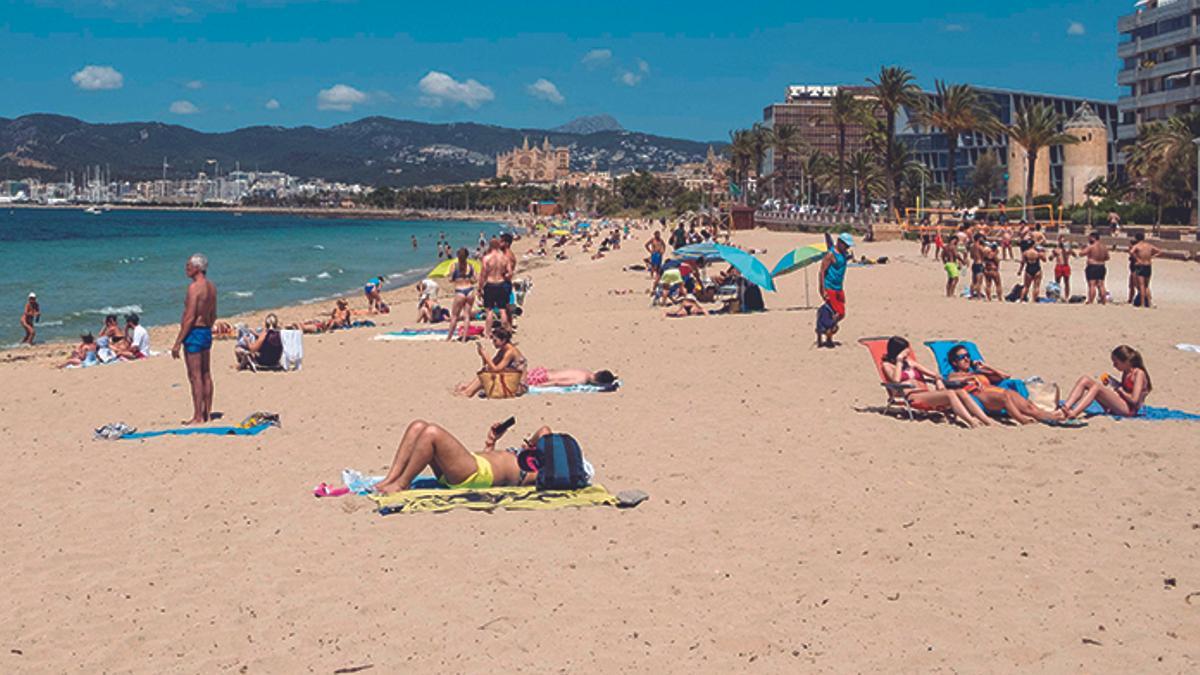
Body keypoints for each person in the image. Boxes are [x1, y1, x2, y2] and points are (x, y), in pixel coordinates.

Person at [371, 419, 552, 493]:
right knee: (418, 426)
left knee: (431, 433)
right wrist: (491, 442)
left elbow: (545, 431)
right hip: (472, 465)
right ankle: (390, 479)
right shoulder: (529, 457)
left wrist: (533, 447)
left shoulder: (540, 473)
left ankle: (402, 484)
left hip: (474, 475)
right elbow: (543, 432)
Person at [879, 337, 993, 428]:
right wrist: (899, 361)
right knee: (950, 394)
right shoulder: (887, 366)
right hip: (912, 396)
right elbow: (896, 381)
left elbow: (934, 375)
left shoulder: (910, 363)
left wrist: (940, 380)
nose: (908, 354)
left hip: (926, 394)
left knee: (961, 392)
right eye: (905, 352)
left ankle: (986, 421)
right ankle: (971, 422)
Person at [944, 343, 1065, 425]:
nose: (966, 359)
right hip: (982, 396)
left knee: (1029, 406)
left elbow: (1006, 376)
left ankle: (1050, 417)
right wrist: (967, 379)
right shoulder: (953, 374)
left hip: (995, 391)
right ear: (954, 362)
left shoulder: (978, 372)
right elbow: (950, 382)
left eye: (968, 356)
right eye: (962, 357)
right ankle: (1022, 420)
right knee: (1005, 396)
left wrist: (987, 367)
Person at [171, 253, 217, 425]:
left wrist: (177, 342)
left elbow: (189, 317)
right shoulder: (211, 287)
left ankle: (198, 416)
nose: (186, 268)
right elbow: (213, 314)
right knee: (206, 373)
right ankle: (208, 413)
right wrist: (207, 327)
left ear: (197, 268)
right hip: (205, 331)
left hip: (194, 333)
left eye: (189, 266)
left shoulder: (194, 288)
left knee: (195, 375)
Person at [1062, 345, 1151, 419]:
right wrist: (1113, 382)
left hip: (1130, 410)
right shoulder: (1126, 371)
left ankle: (1074, 413)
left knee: (1097, 388)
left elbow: (1134, 400)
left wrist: (1119, 390)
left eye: (1116, 363)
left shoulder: (1139, 374)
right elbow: (1126, 388)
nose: (1114, 366)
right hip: (1122, 404)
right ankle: (1065, 408)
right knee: (1085, 379)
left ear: (1126, 362)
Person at [454, 326, 526, 398]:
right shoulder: (502, 350)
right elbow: (489, 367)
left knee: (484, 377)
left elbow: (496, 369)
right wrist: (483, 356)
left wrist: (486, 356)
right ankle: (468, 389)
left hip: (518, 387)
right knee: (484, 374)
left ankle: (467, 392)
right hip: (509, 380)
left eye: (495, 340)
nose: (493, 343)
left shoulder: (510, 352)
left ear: (503, 340)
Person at [816, 233, 853, 348]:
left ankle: (824, 329)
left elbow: (842, 263)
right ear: (840, 242)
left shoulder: (843, 254)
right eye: (846, 245)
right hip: (830, 286)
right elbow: (822, 271)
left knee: (841, 313)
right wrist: (822, 289)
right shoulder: (830, 255)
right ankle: (827, 335)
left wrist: (849, 257)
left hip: (839, 287)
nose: (847, 248)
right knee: (835, 312)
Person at [478, 239, 509, 340]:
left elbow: (483, 275)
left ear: (490, 246)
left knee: (489, 310)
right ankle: (504, 331)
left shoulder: (486, 258)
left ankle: (487, 333)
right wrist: (504, 276)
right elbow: (510, 272)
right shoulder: (504, 258)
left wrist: (480, 287)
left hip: (490, 284)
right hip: (501, 283)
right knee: (502, 309)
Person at [444, 248, 477, 341]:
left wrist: (454, 278)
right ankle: (464, 338)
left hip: (460, 291)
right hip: (470, 290)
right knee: (467, 316)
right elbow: (475, 279)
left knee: (454, 316)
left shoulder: (454, 266)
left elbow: (450, 279)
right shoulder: (470, 266)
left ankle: (449, 337)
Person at [1128, 232, 1162, 308]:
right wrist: (1151, 256)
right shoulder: (1149, 246)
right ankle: (1149, 302)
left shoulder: (1137, 246)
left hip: (1140, 266)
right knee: (1147, 286)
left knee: (1142, 285)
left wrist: (1137, 258)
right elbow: (1160, 251)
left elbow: (1131, 252)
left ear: (1136, 238)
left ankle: (1142, 303)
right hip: (1148, 265)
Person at [1080, 231, 1110, 305]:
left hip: (1093, 266)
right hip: (1101, 266)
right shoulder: (1104, 247)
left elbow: (1081, 254)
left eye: (1089, 238)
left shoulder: (1091, 246)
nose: (1088, 240)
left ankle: (1091, 301)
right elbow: (1107, 257)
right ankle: (1104, 301)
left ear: (1093, 238)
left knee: (1092, 284)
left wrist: (1083, 248)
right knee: (1101, 285)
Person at [524, 368, 618, 388]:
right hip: (543, 378)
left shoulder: (586, 371)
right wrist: (539, 386)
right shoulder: (583, 379)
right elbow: (557, 383)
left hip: (542, 371)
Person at [968, 234, 986, 299]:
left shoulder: (972, 246)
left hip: (974, 263)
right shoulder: (979, 247)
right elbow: (984, 254)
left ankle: (971, 295)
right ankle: (978, 295)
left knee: (973, 281)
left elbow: (971, 256)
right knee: (979, 282)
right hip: (979, 263)